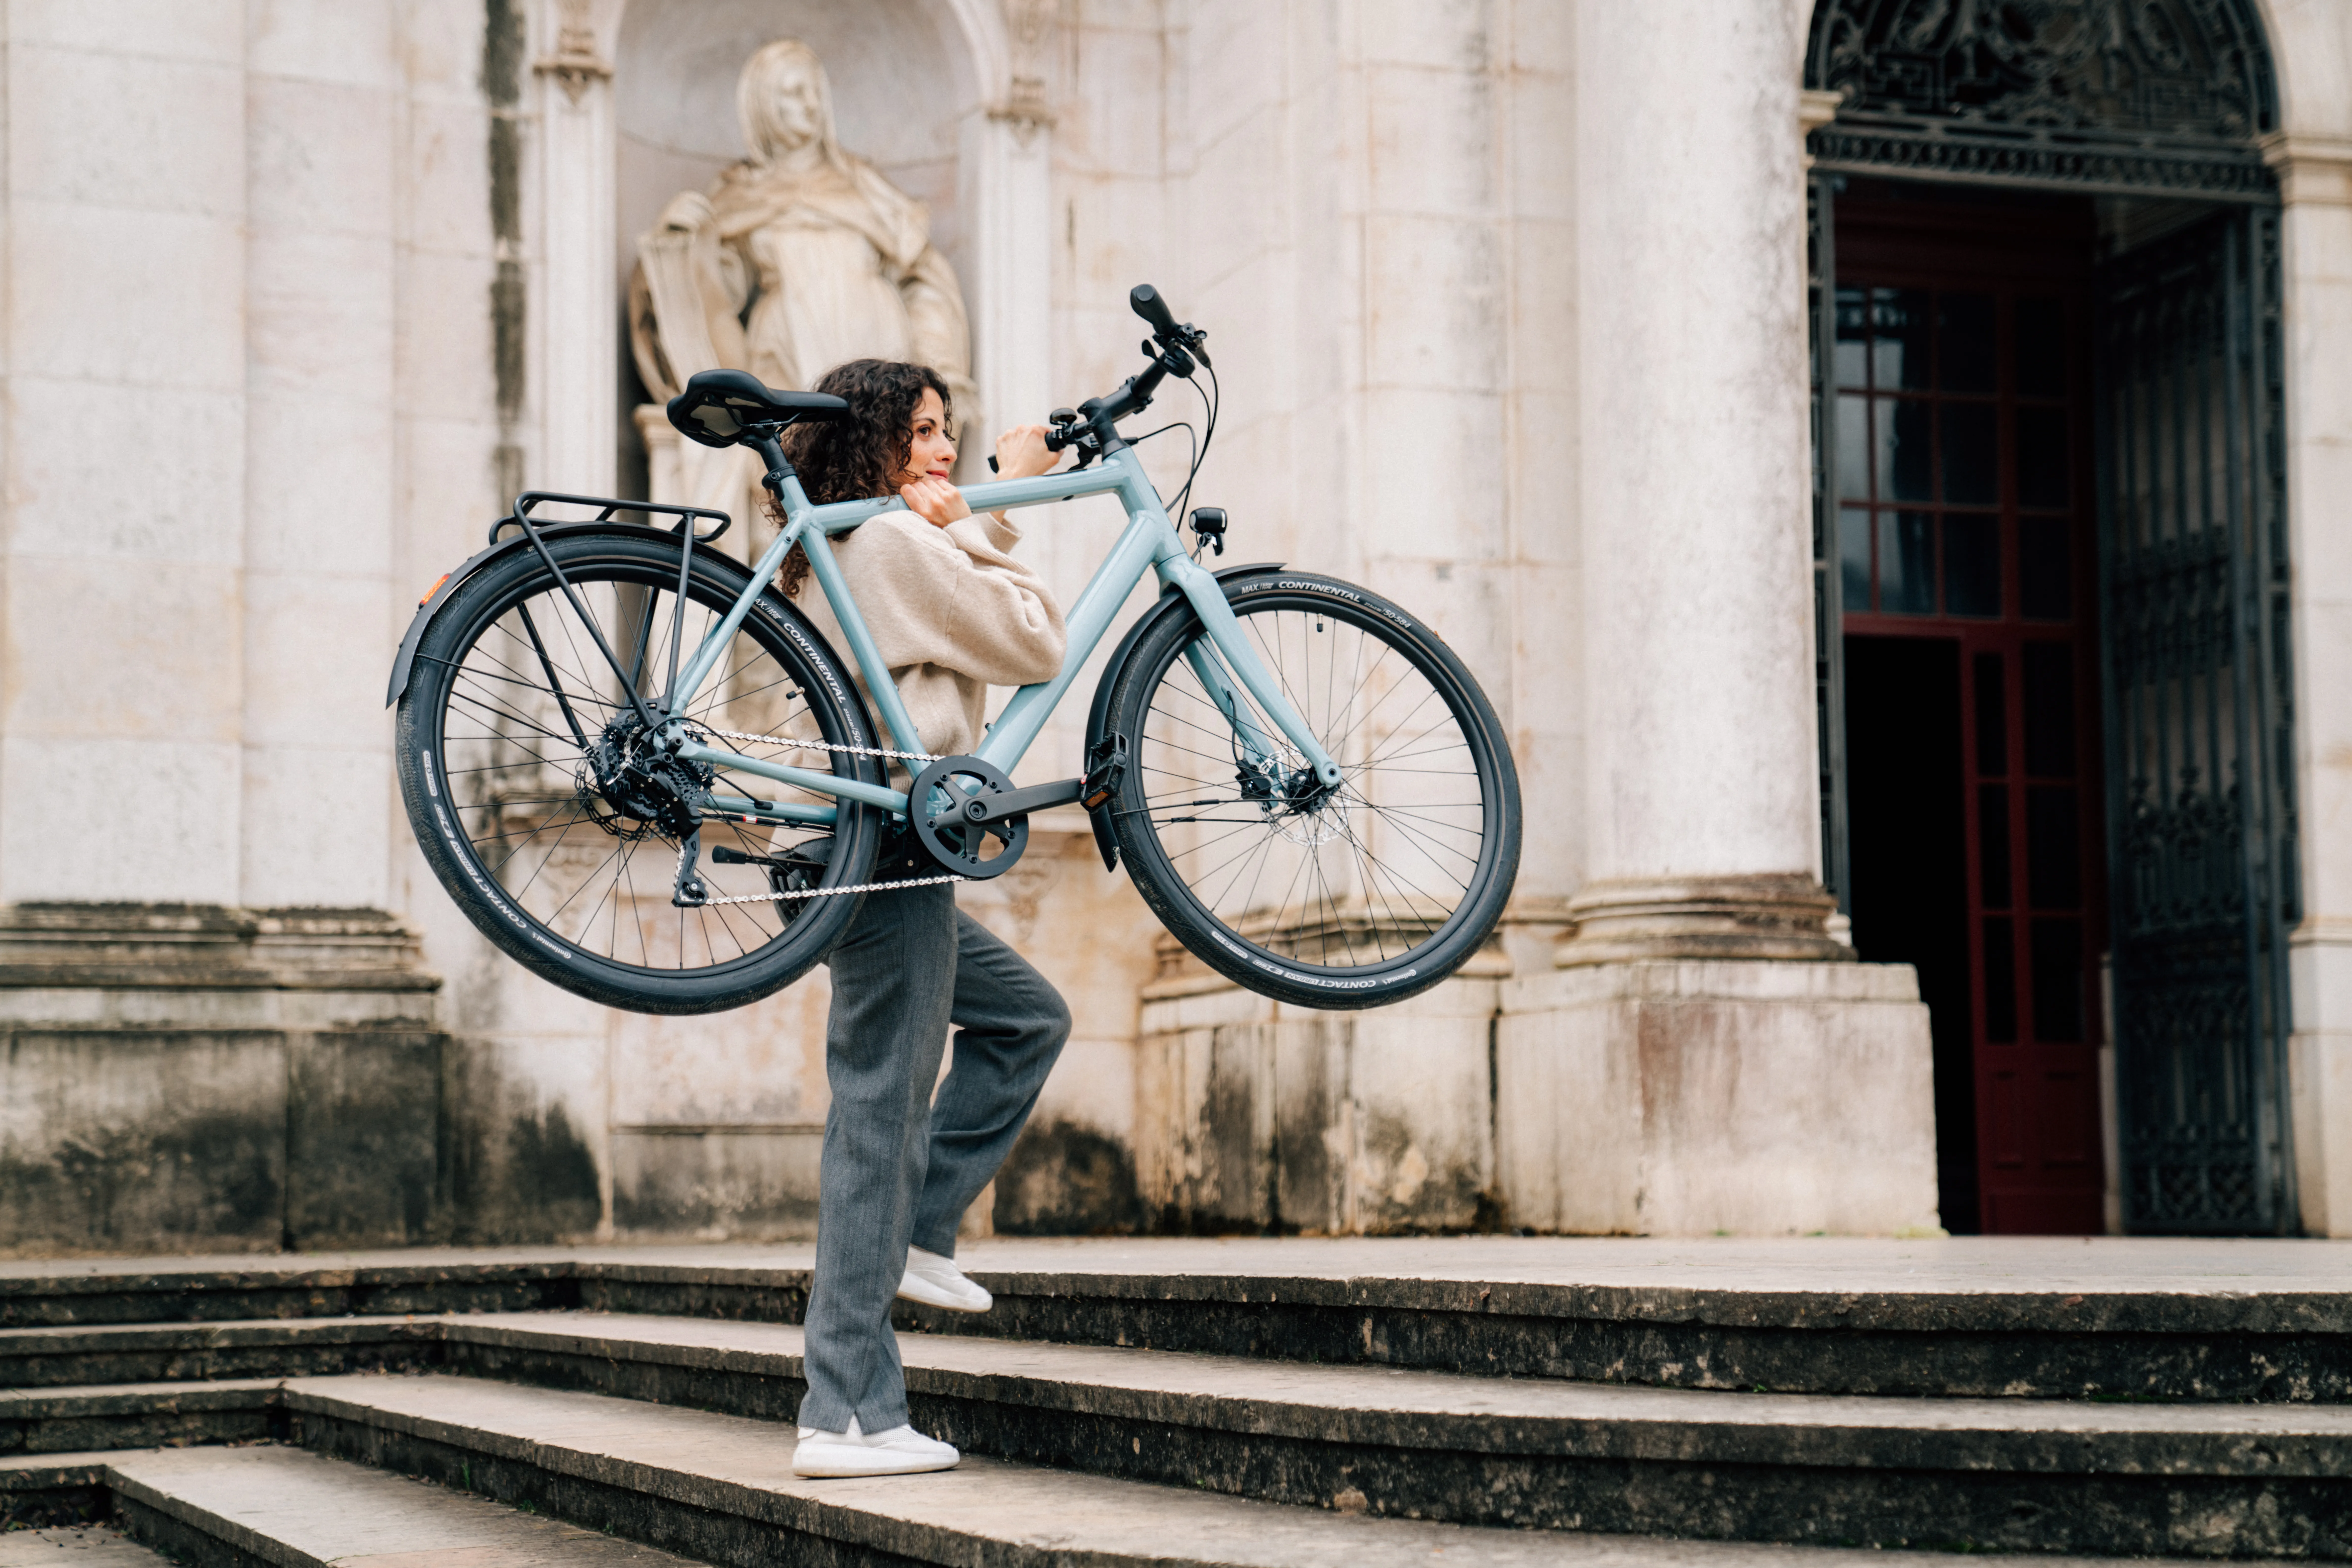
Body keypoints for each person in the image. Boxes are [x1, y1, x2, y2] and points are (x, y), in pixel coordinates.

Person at [775, 358, 1071, 1479]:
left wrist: (977, 500)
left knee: (1026, 1019)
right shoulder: (893, 545)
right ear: (874, 439)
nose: (944, 449)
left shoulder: (854, 544)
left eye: (952, 432)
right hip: (884, 852)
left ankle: (921, 1233)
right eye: (926, 430)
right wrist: (989, 522)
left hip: (856, 852)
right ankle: (844, 1413)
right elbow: (1037, 639)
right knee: (877, 1120)